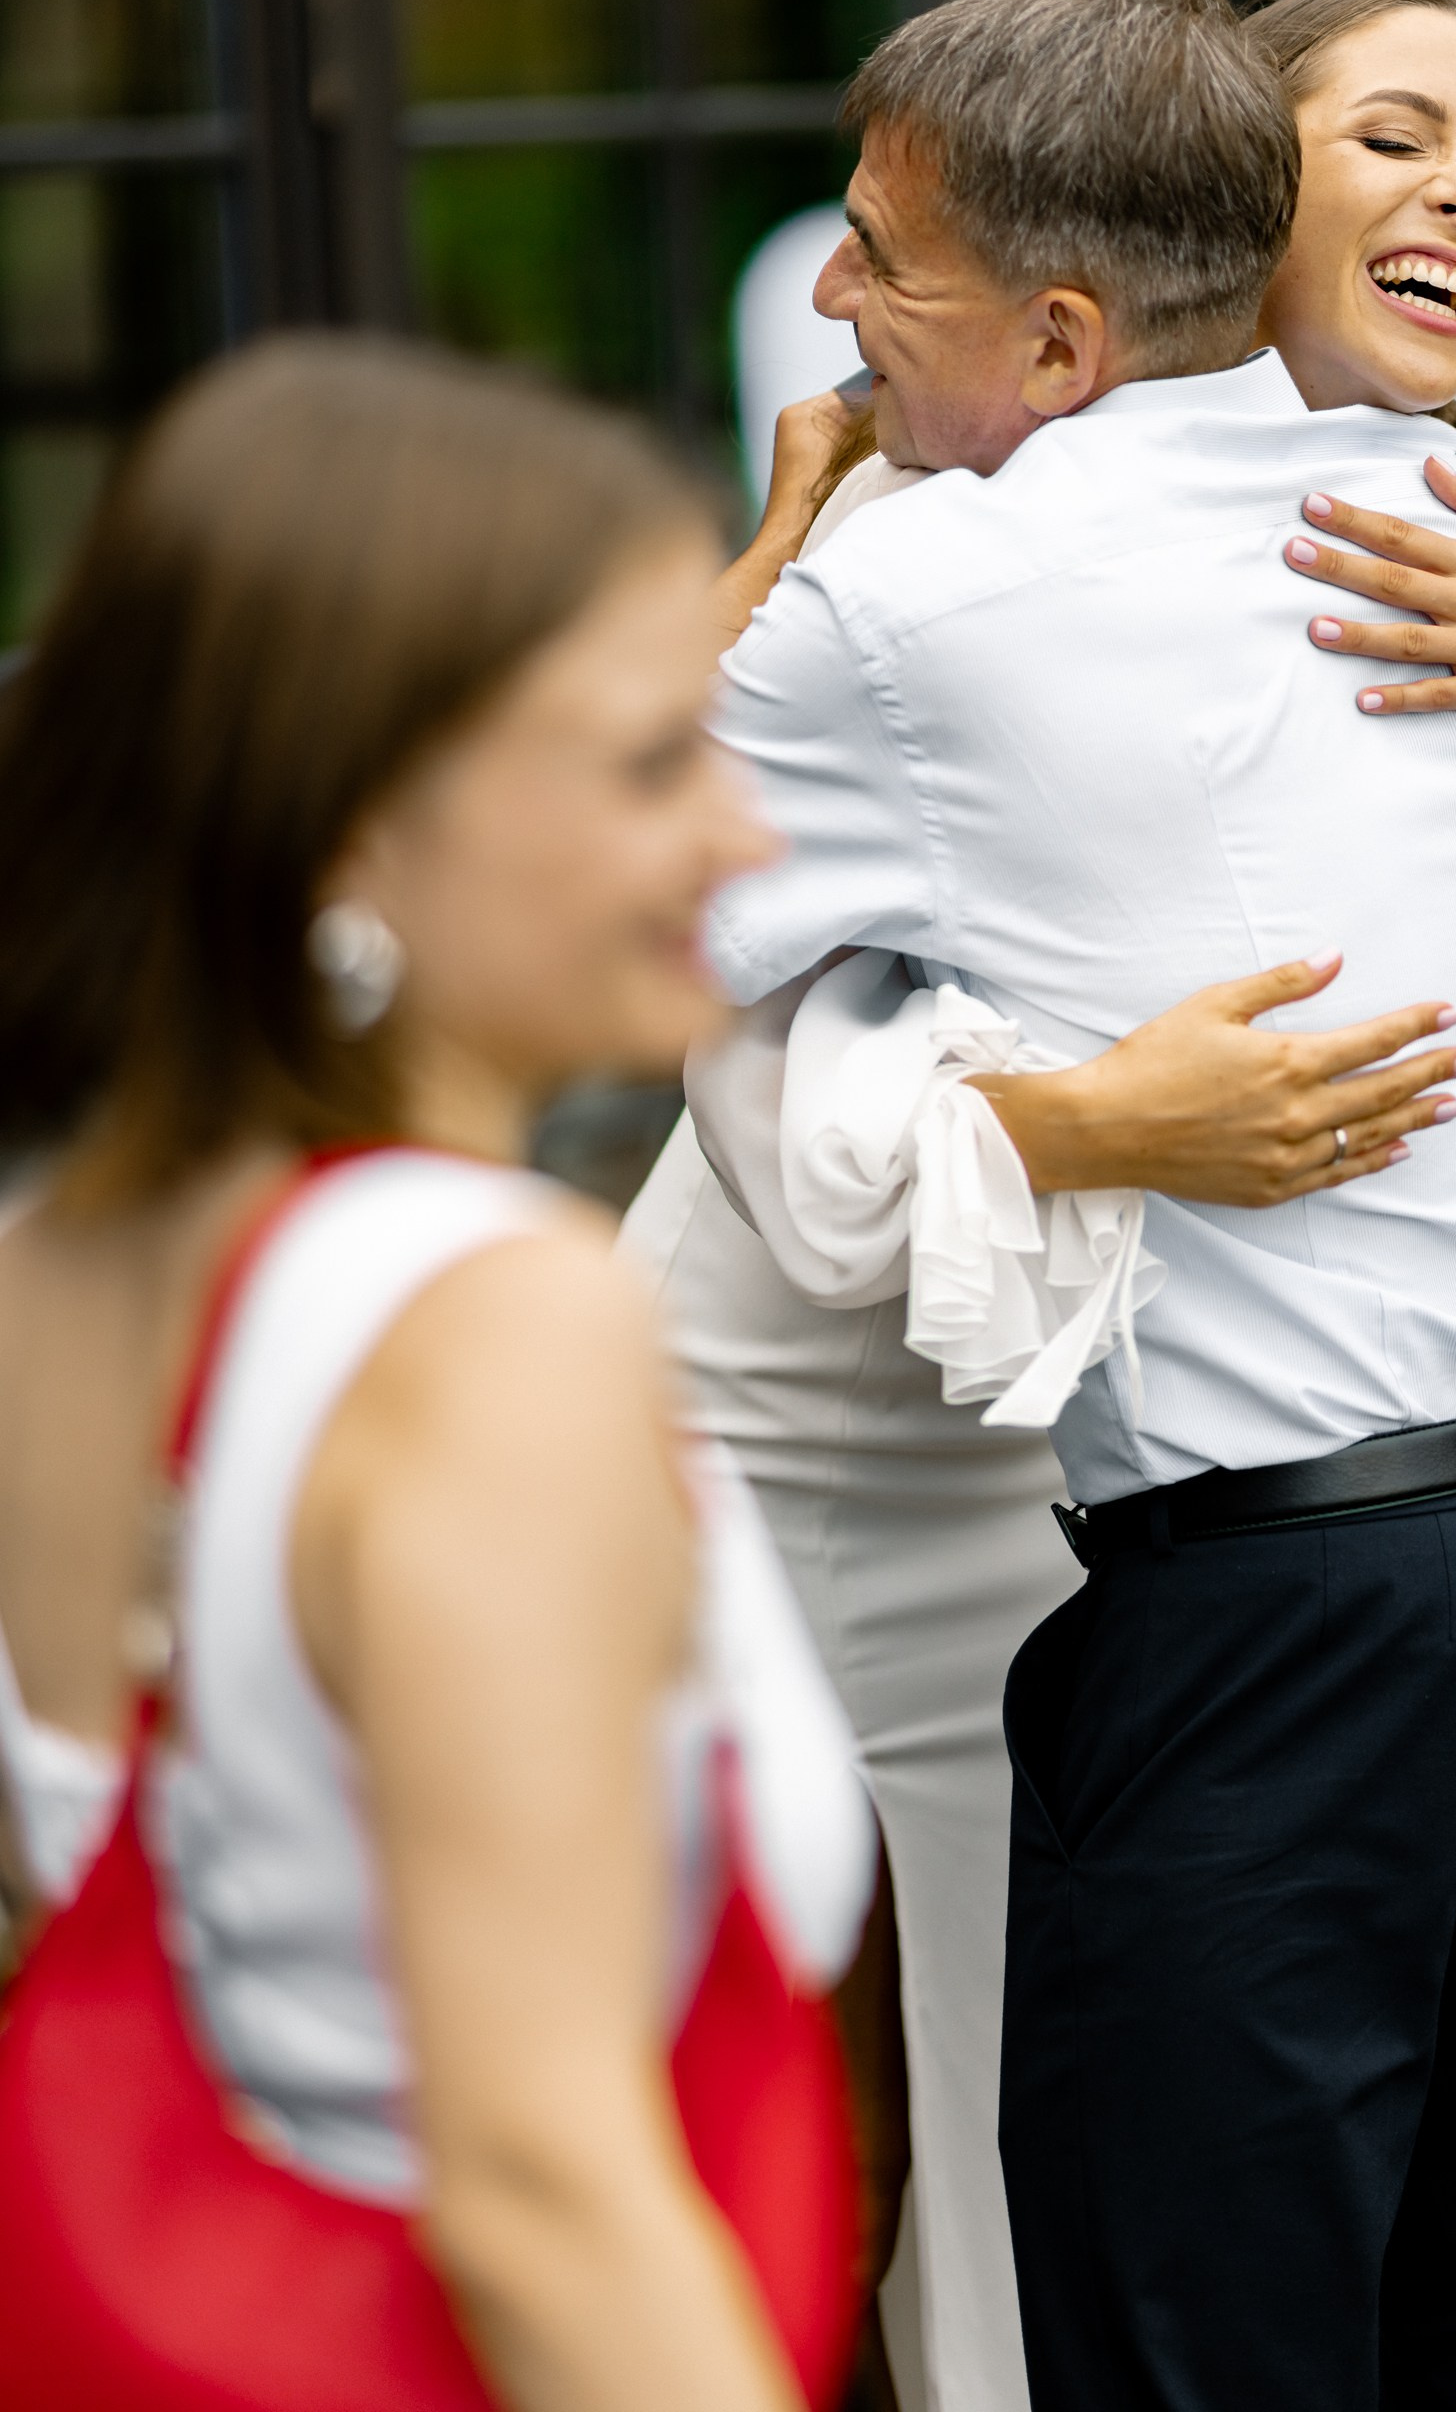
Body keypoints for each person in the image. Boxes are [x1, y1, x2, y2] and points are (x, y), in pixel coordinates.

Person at [695, 0, 1456, 2407]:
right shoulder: (1426, 513)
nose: (840, 301)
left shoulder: (979, 589)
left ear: (1078, 314)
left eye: (882, 252)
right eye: (1400, 137)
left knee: (1208, 2343)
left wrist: (774, 569)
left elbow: (593, 885)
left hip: (1288, 1606)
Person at [0, 334, 879, 2411]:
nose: (742, 839)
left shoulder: (55, 1272)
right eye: (654, 762)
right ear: (352, 823)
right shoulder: (492, 1327)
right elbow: (540, 2192)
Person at [627, 386, 1456, 2412]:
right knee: (750, 2090)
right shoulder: (888, 553)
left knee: (1025, 2100)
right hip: (773, 1417)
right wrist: (1099, 1119)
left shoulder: (1368, 540)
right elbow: (780, 1100)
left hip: (1050, 1461)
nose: (829, 321)